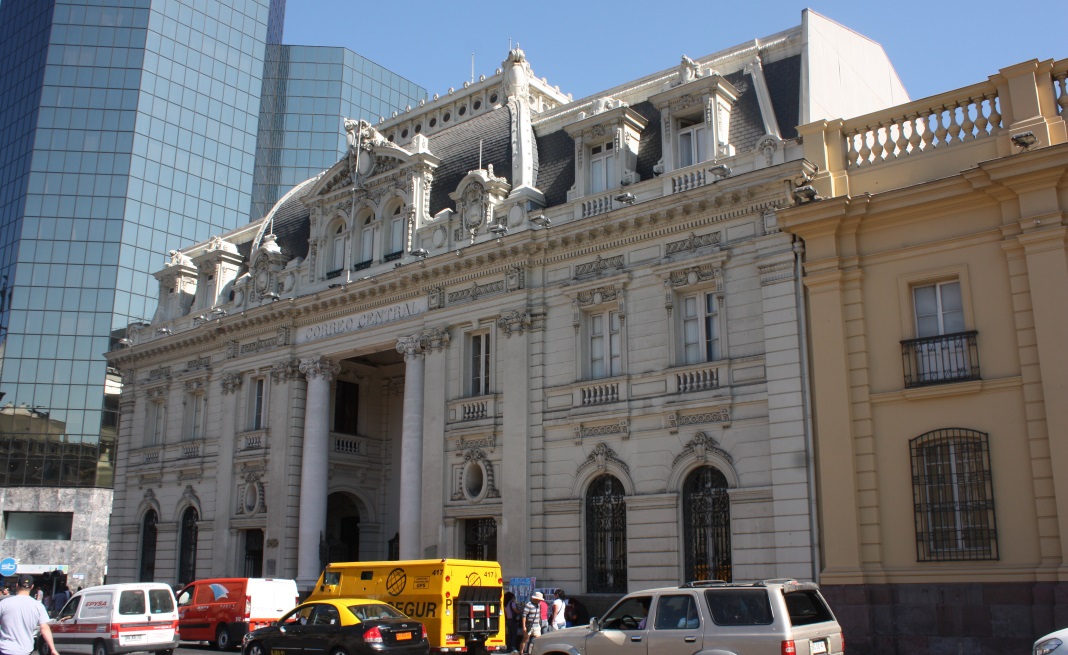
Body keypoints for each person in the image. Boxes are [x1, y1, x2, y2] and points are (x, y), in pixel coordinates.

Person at [0, 575, 59, 655]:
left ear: (17, 585)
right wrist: (52, 649)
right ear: (32, 587)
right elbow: (44, 628)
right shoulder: (38, 606)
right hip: (25, 650)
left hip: (6, 649)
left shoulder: (4, 603)